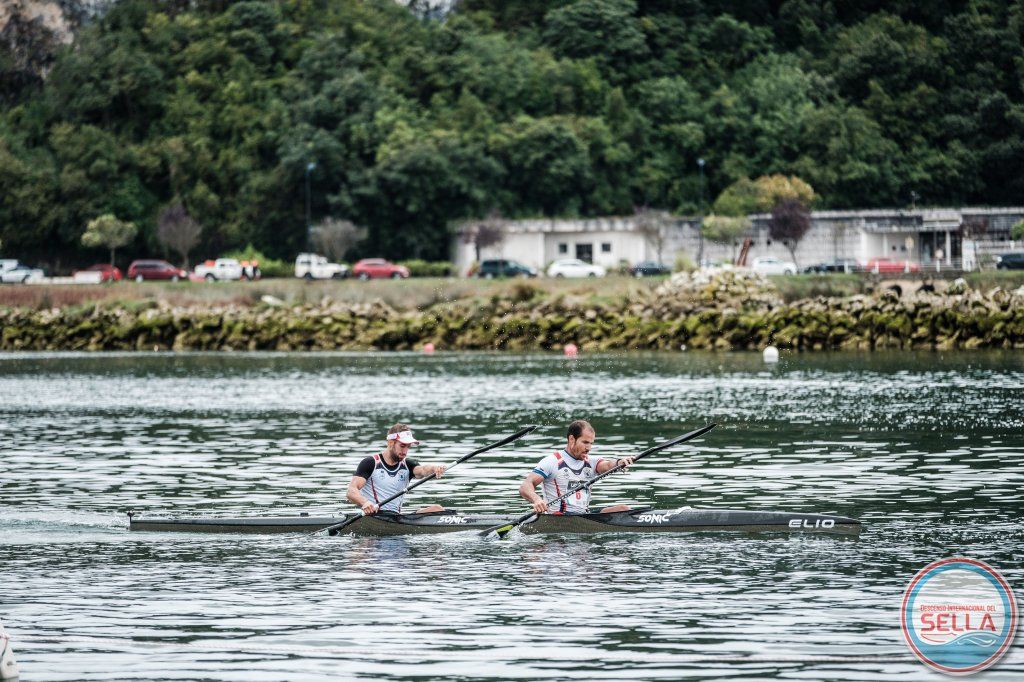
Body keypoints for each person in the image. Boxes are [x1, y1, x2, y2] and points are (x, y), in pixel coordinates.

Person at [518, 420, 635, 514]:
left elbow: (608, 465)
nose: (589, 448)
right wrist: (537, 500)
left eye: (591, 443)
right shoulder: (552, 461)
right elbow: (525, 486)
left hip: (583, 516)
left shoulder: (591, 463)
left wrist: (619, 463)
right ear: (572, 439)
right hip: (558, 518)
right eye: (585, 442)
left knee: (624, 509)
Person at [346, 423, 447, 515]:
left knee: (437, 509)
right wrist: (365, 503)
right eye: (402, 446)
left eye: (408, 447)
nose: (405, 451)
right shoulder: (371, 463)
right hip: (374, 516)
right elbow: (351, 491)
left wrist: (434, 468)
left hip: (396, 518)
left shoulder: (408, 465)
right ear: (391, 443)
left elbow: (423, 470)